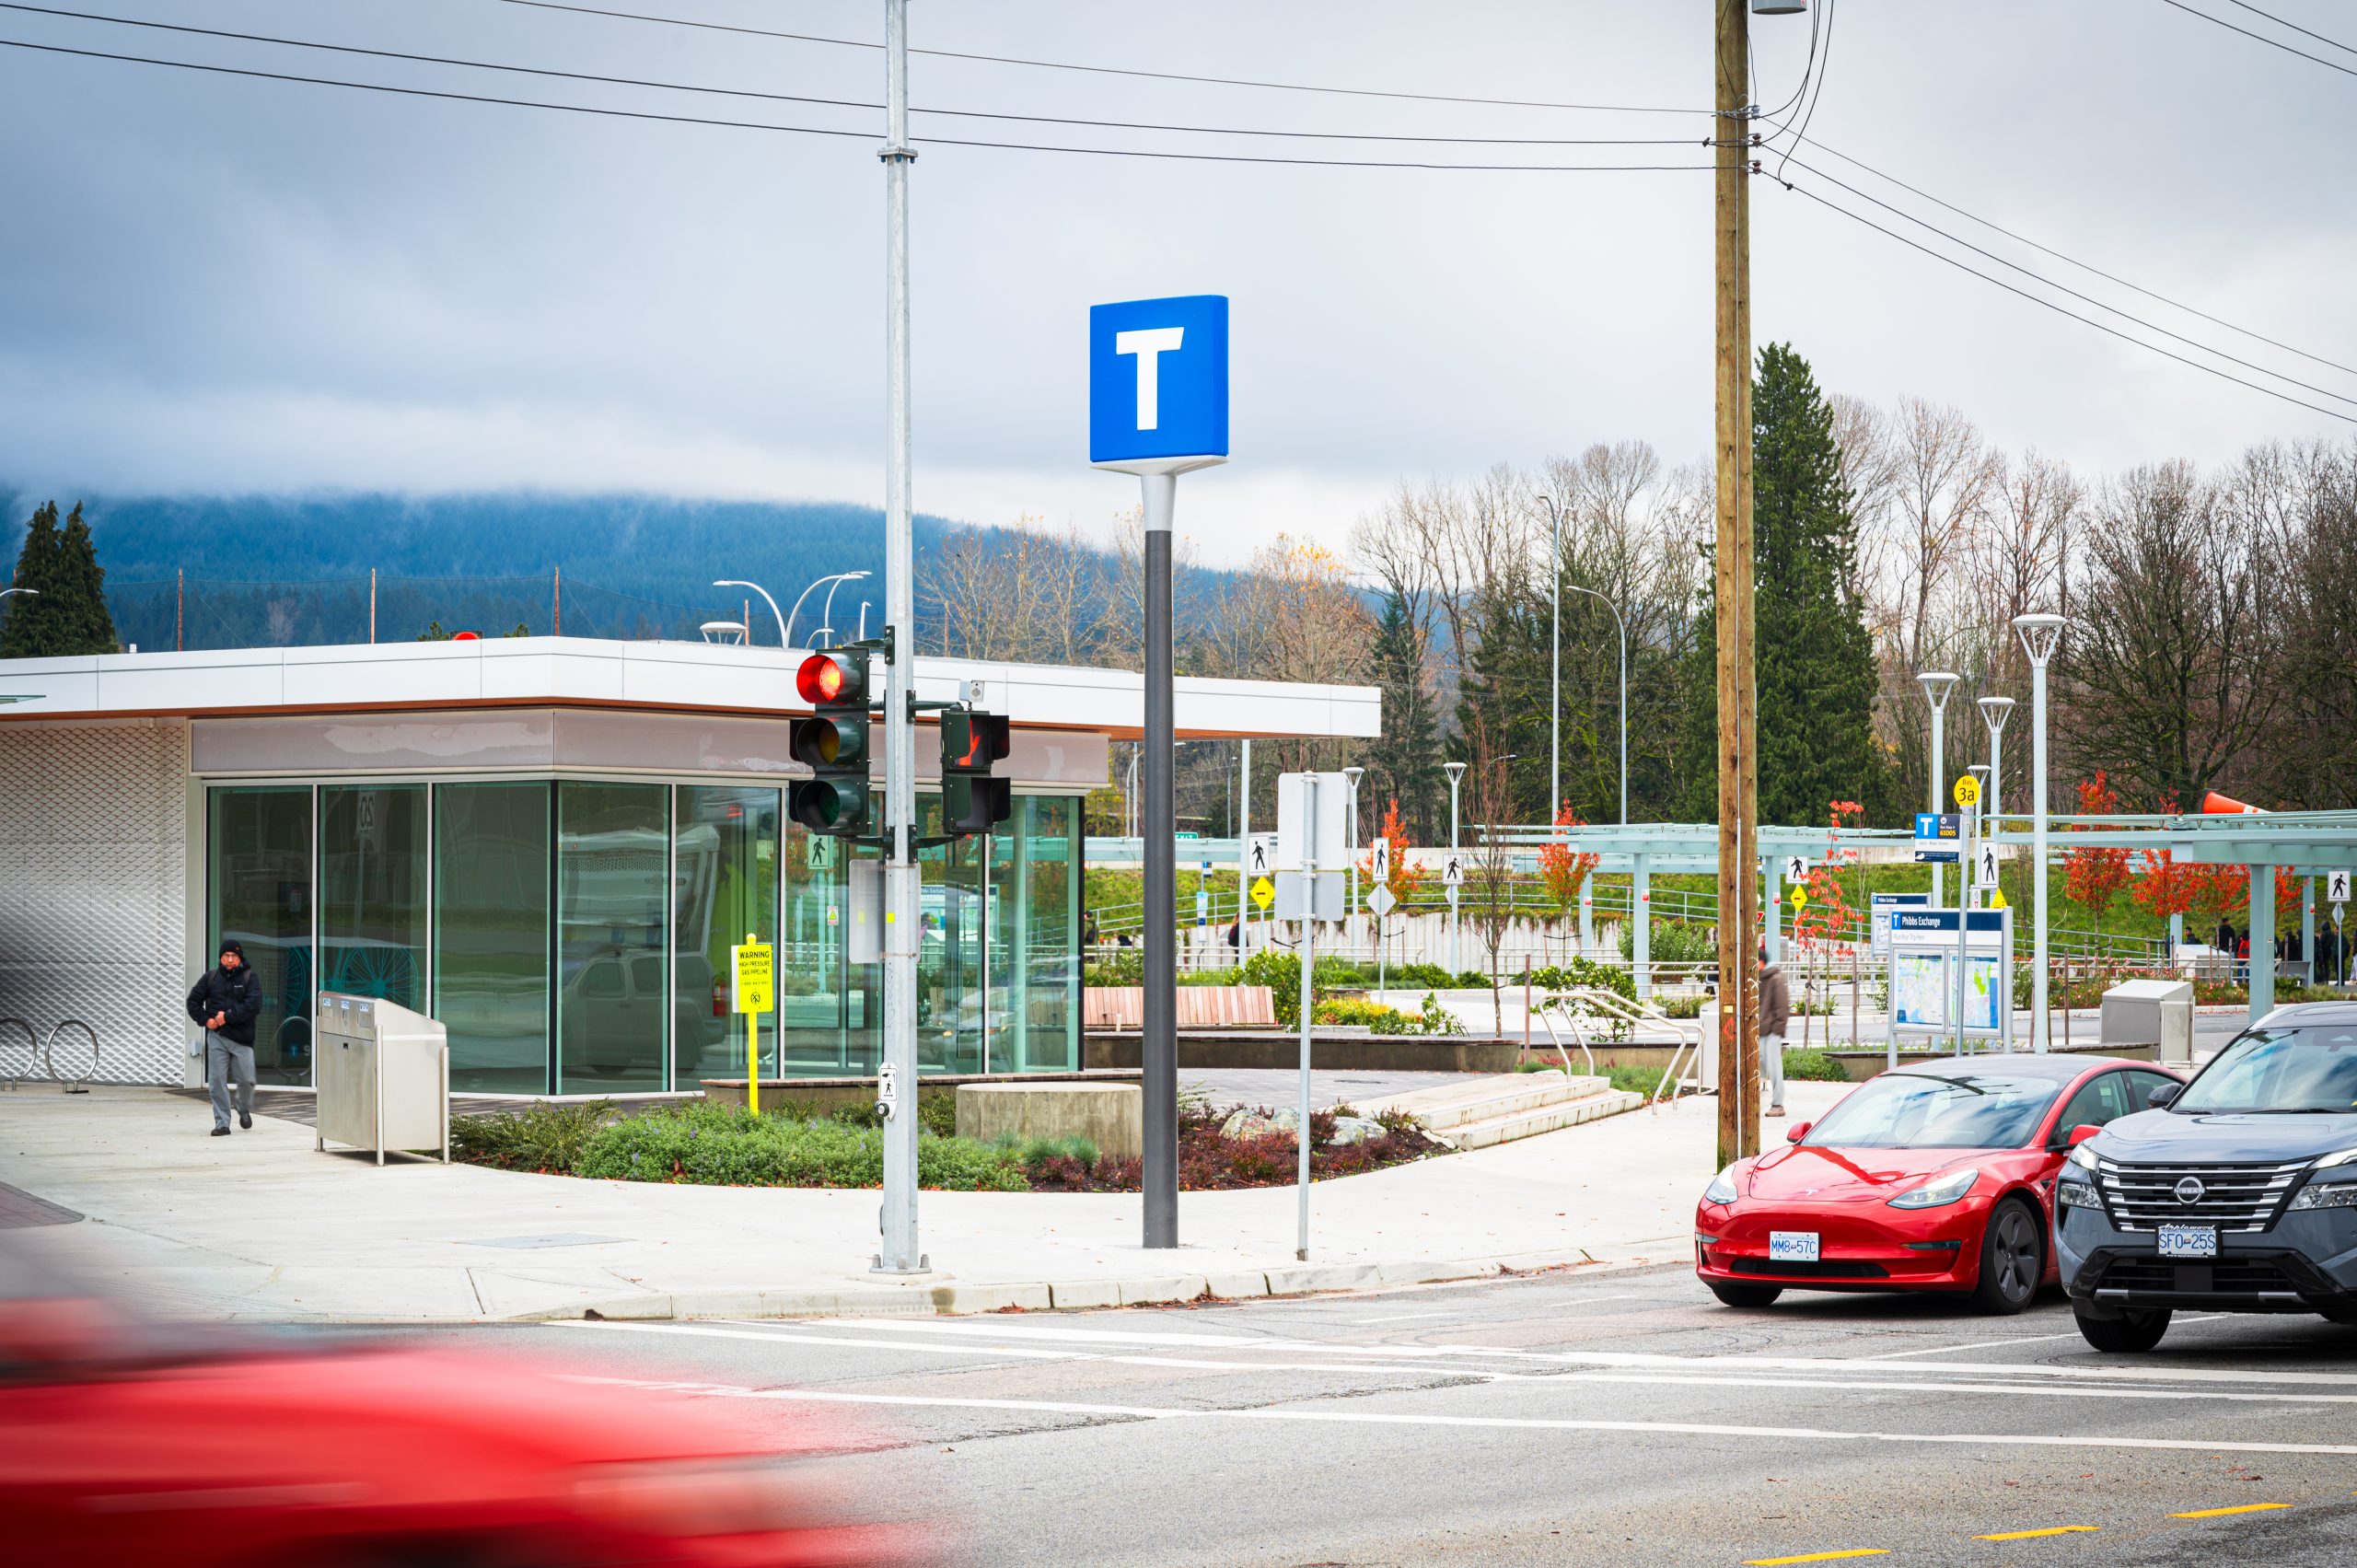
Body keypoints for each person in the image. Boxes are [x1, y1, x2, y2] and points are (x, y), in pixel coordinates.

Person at [184, 939, 261, 1137]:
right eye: (226, 956)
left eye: (234, 956)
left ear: (240, 958)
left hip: (242, 1037)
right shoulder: (211, 978)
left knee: (247, 1080)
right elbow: (193, 1002)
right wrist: (205, 1020)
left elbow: (253, 1005)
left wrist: (226, 1017)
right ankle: (222, 1123)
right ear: (220, 958)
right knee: (216, 1080)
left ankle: (242, 1106)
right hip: (217, 1037)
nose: (229, 960)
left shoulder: (249, 978)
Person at [1759, 941, 1791, 1119]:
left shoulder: (1774, 979)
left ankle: (1778, 1104)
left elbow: (1782, 1006)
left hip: (1771, 1031)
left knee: (1774, 1068)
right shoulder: (1761, 978)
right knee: (1764, 1066)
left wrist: (1777, 1029)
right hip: (1763, 1030)